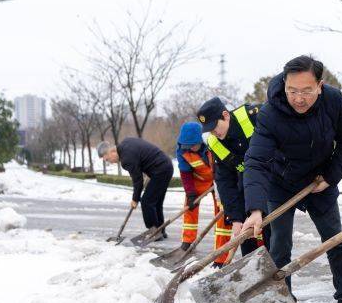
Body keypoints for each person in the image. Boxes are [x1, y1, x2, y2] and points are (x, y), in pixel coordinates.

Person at [241, 55, 342, 303]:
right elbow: (257, 161)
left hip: (320, 179)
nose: (299, 98)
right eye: (292, 90)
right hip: (281, 182)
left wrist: (330, 178)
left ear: (320, 85)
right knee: (279, 245)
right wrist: (255, 208)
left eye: (306, 91)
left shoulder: (333, 101)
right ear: (284, 84)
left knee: (334, 240)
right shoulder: (270, 112)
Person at [196, 97, 270, 266]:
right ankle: (252, 275)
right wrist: (236, 218)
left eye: (215, 127)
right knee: (245, 234)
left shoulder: (252, 116)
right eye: (210, 130)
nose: (214, 133)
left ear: (225, 115)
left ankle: (275, 276)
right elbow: (225, 183)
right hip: (246, 187)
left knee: (273, 236)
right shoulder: (215, 144)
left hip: (274, 181)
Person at [175, 122, 231, 267]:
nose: (191, 148)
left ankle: (220, 255)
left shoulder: (212, 144)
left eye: (194, 145)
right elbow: (185, 174)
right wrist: (191, 193)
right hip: (198, 180)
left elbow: (222, 168)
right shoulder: (182, 151)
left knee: (222, 214)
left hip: (219, 179)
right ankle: (187, 241)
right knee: (189, 206)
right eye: (188, 145)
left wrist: (218, 187)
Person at [97, 138, 174, 239]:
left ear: (112, 151)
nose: (110, 162)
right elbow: (143, 156)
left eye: (107, 159)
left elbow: (138, 181)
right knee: (155, 202)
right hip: (165, 165)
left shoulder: (126, 159)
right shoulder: (126, 142)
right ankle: (160, 231)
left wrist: (135, 199)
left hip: (160, 170)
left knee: (147, 202)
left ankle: (154, 233)